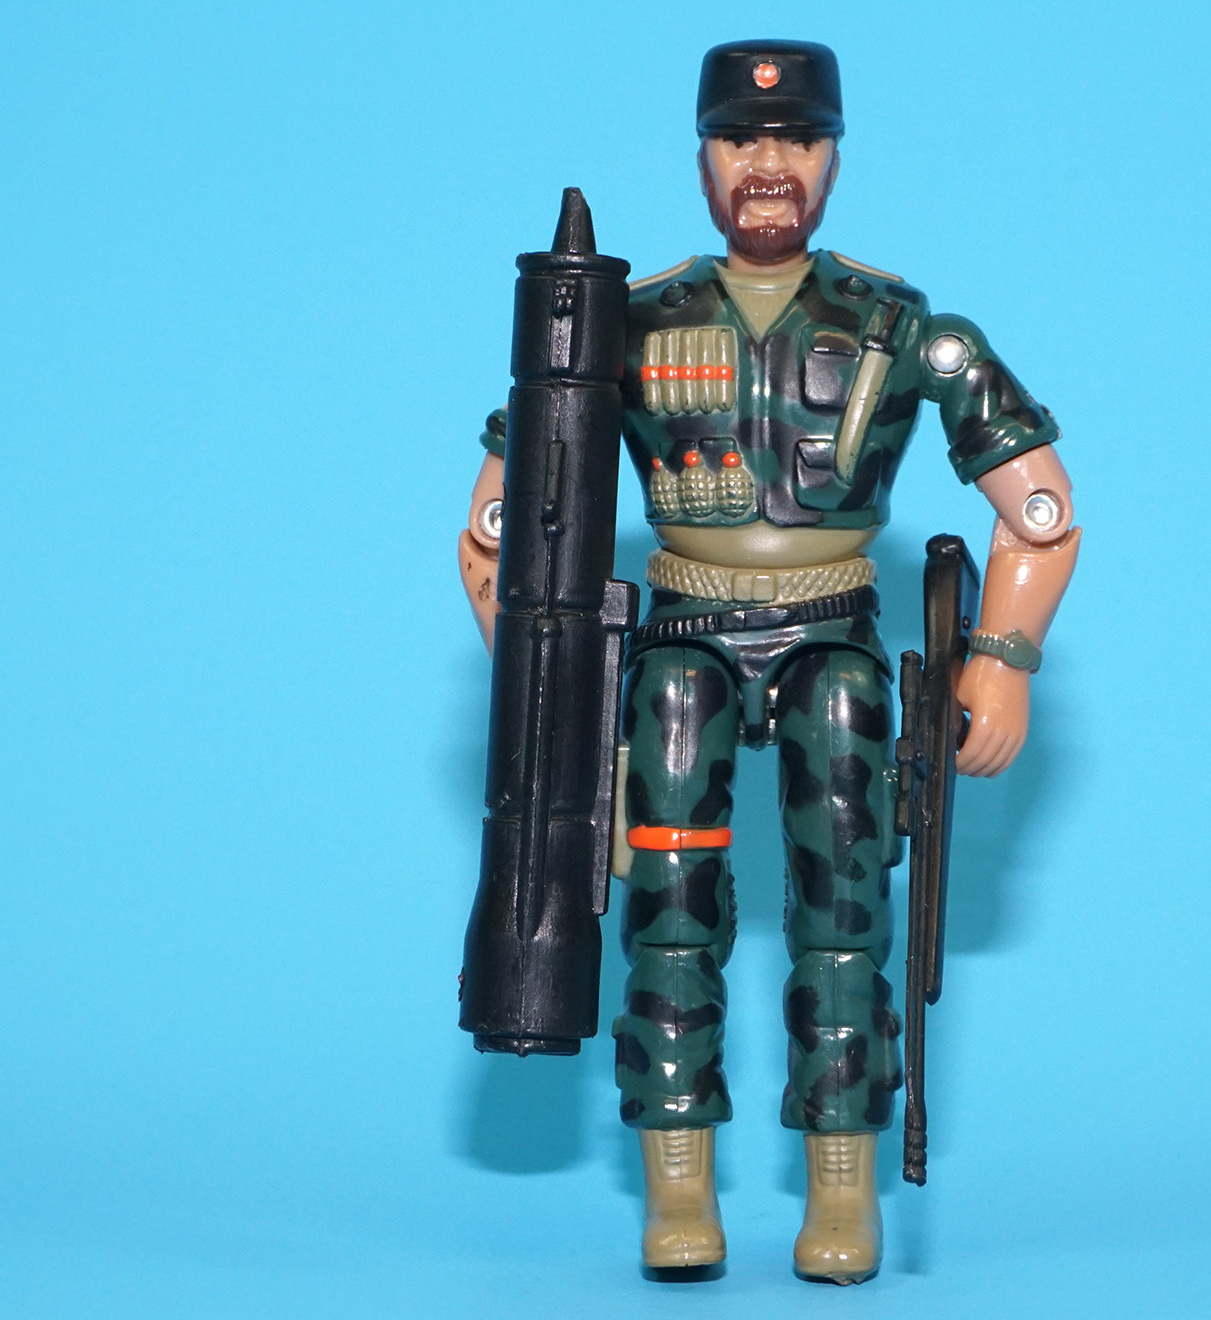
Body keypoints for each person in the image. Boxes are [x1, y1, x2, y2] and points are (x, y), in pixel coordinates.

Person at [457, 39, 1080, 1284]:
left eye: (796, 139)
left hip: (833, 634)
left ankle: (841, 1189)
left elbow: (1041, 508)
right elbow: (503, 524)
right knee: (665, 917)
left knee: (844, 923)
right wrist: (555, 700)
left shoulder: (902, 328)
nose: (768, 164)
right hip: (678, 640)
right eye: (741, 139)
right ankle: (675, 1185)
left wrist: (1004, 655)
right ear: (703, 158)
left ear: (832, 158)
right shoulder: (628, 325)